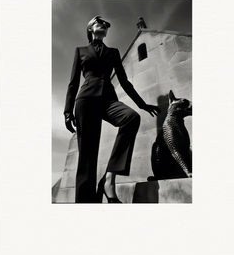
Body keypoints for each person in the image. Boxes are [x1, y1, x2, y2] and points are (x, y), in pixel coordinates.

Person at [64, 15, 161, 203]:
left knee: (131, 118)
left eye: (106, 25)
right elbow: (73, 83)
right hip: (85, 101)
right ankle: (85, 205)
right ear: (91, 28)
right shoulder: (81, 51)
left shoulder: (113, 52)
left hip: (108, 100)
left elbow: (124, 82)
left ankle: (109, 178)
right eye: (99, 22)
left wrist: (142, 105)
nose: (104, 25)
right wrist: (68, 111)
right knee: (87, 156)